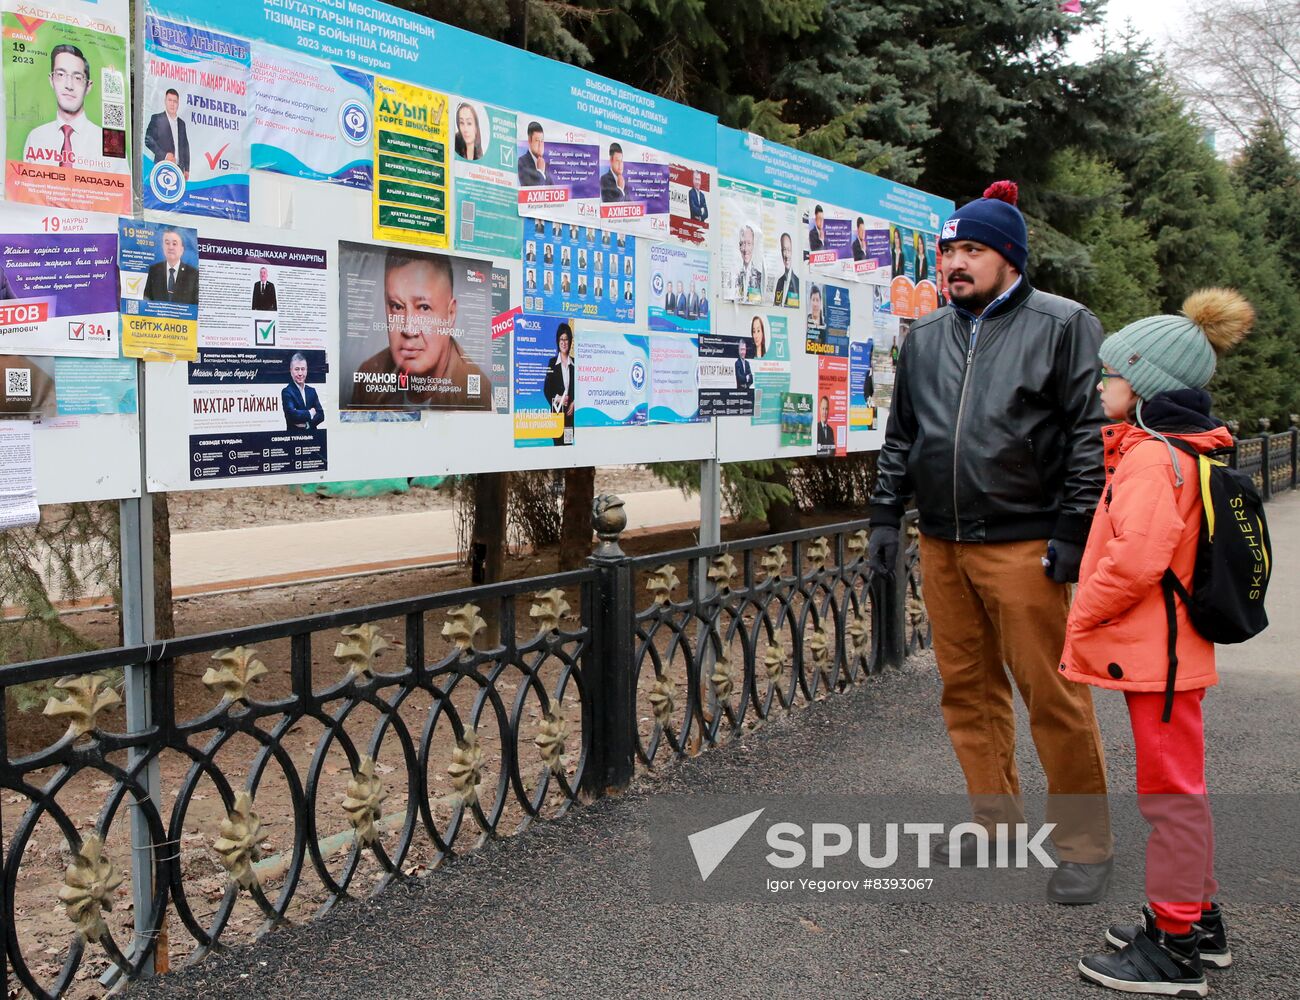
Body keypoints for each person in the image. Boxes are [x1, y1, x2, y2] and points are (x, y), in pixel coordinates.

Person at [867, 180, 1113, 903]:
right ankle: (994, 822)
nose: (954, 264)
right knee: (966, 691)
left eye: (971, 250)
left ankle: (1084, 844)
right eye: (948, 251)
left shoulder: (1064, 324)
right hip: (943, 544)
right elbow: (902, 436)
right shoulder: (927, 337)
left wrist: (1072, 529)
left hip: (1024, 544)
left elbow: (1088, 436)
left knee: (1053, 696)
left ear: (1009, 257)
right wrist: (886, 516)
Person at [1066, 290, 1253, 998]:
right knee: (1180, 792)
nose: (1101, 385)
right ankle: (1199, 922)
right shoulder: (1175, 449)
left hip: (1161, 658)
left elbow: (1136, 562)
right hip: (1172, 652)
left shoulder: (1151, 460)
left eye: (1111, 374)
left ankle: (1173, 950)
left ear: (1143, 383)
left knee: (1170, 797)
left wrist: (1081, 611)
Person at [349, 251, 492, 410]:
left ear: (450, 314)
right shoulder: (367, 374)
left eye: (424, 307)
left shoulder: (477, 394)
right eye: (397, 306)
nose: (409, 329)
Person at [23, 45, 108, 170]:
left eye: (77, 78)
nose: (69, 85)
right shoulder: (35, 138)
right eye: (61, 75)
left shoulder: (107, 142)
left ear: (88, 86)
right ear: (51, 80)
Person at [143, 228, 199, 305]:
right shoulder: (154, 270)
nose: (170, 247)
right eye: (167, 243)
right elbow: (147, 299)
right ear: (163, 247)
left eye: (174, 244)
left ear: (182, 249)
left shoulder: (193, 274)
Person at [542, 322, 576, 446]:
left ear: (570, 341)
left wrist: (574, 402)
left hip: (571, 416)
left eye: (566, 339)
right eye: (561, 339)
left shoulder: (575, 364)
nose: (563, 342)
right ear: (557, 341)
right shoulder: (552, 363)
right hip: (556, 414)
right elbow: (546, 390)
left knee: (568, 448)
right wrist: (560, 399)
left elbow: (581, 388)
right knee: (557, 448)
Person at [145, 87, 190, 176]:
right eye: (170, 100)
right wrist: (164, 155)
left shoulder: (182, 124)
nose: (172, 104)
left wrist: (187, 169)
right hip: (162, 167)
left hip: (179, 170)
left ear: (178, 103)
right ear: (165, 101)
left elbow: (185, 146)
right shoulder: (157, 118)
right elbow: (148, 140)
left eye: (175, 101)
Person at [281, 352, 324, 430]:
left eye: (303, 369)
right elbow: (292, 415)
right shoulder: (287, 392)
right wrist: (310, 413)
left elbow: (321, 415)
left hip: (313, 437)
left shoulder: (312, 391)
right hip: (294, 438)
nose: (300, 373)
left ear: (306, 370)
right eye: (297, 369)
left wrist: (307, 424)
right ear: (291, 371)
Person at [517, 121, 553, 186]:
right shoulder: (522, 162)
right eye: (537, 141)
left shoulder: (544, 163)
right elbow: (531, 190)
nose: (540, 145)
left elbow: (552, 188)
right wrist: (540, 172)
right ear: (529, 141)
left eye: (542, 141)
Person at [735, 224, 763, 301]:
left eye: (749, 243)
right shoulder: (735, 276)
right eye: (742, 243)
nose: (745, 249)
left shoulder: (760, 277)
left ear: (753, 246)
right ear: (739, 246)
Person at [774, 232, 800, 307]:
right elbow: (776, 305)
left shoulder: (798, 283)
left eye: (788, 250)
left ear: (792, 251)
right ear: (781, 252)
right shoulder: (779, 281)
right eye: (784, 250)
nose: (786, 255)